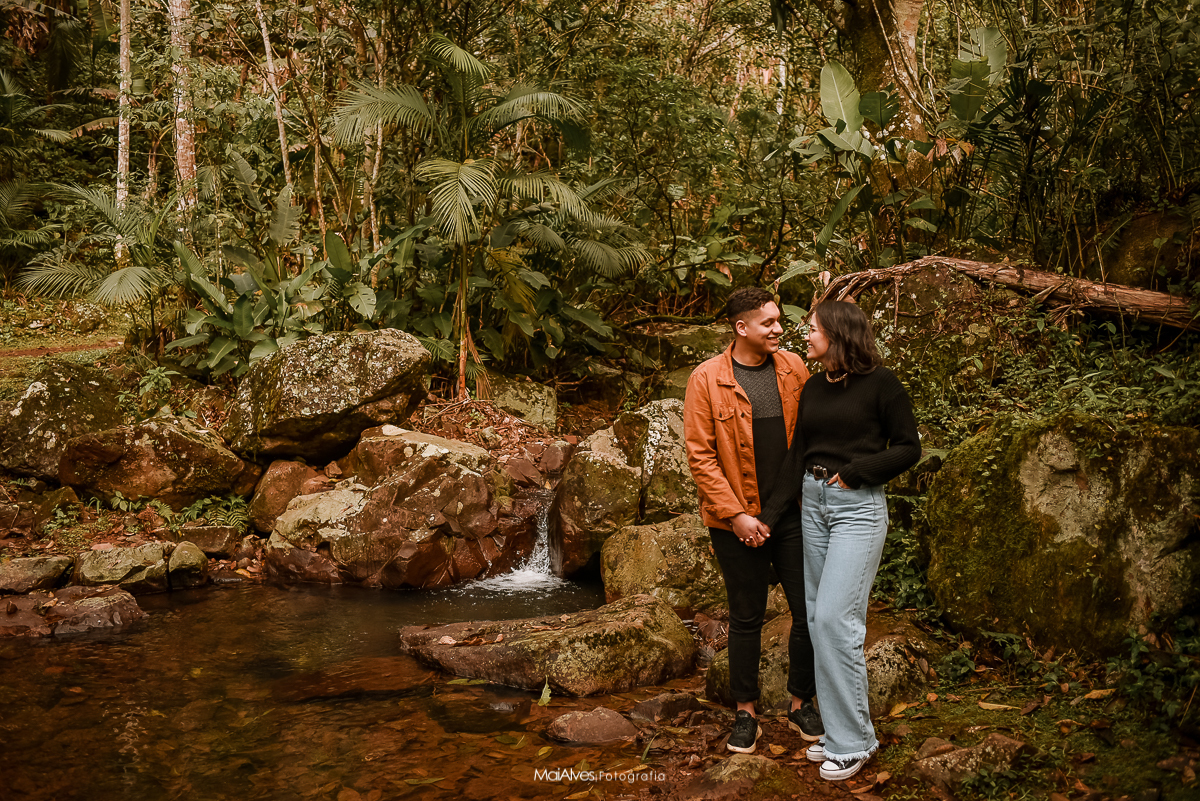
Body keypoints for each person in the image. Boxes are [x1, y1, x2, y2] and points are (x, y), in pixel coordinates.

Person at [759, 300, 921, 781]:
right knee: (814, 619)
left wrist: (856, 473)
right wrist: (769, 516)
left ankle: (856, 743)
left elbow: (909, 448)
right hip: (814, 505)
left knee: (835, 619)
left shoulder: (883, 385)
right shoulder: (814, 387)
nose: (804, 336)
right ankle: (839, 731)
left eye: (811, 329)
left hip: (857, 510)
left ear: (837, 334)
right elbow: (797, 456)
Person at [683, 287, 823, 755]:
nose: (780, 329)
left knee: (806, 613)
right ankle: (746, 713)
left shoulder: (794, 370)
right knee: (746, 617)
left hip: (791, 514)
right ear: (742, 328)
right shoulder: (706, 379)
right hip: (734, 523)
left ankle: (801, 702)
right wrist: (738, 515)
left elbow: (805, 442)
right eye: (769, 323)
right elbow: (701, 456)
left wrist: (776, 511)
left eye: (779, 320)